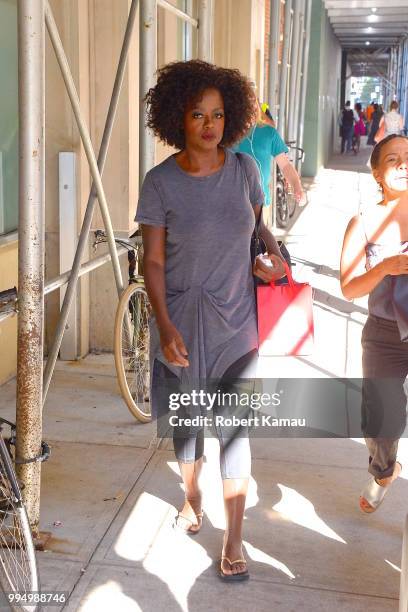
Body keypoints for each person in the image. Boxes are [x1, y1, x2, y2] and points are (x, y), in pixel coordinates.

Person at [135, 60, 286, 580]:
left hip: (237, 317)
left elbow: (256, 228)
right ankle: (192, 495)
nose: (209, 125)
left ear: (231, 117)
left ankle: (235, 537)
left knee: (235, 430)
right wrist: (165, 322)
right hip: (181, 316)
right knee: (188, 425)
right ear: (179, 118)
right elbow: (151, 260)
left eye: (218, 115)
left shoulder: (245, 170)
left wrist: (271, 259)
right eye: (198, 115)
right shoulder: (160, 183)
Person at [340, 134, 408, 513]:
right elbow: (348, 288)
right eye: (393, 159)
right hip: (384, 335)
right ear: (378, 173)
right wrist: (384, 267)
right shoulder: (364, 221)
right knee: (379, 422)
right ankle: (384, 471)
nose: (403, 165)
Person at [233, 100, 305, 207]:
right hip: (231, 204)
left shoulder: (269, 133)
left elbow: (285, 166)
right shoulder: (227, 134)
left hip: (260, 204)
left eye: (253, 103)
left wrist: (297, 186)